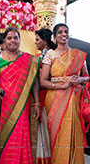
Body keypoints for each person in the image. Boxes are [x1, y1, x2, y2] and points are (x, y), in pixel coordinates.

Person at [0, 27, 41, 164]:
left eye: (15, 38)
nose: (12, 41)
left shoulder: (29, 59)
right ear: (4, 40)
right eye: (9, 38)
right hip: (3, 103)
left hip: (22, 104)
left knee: (21, 133)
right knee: (3, 135)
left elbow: (34, 82)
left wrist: (37, 103)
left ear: (19, 40)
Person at [40, 23, 90, 163]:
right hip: (55, 99)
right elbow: (43, 81)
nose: (63, 34)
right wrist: (61, 85)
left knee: (73, 131)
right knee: (56, 133)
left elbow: (87, 77)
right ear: (54, 37)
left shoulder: (78, 55)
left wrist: (79, 79)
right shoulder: (50, 55)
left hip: (74, 98)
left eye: (66, 32)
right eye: (60, 32)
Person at [34, 28, 56, 163]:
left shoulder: (53, 55)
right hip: (41, 96)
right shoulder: (37, 57)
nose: (35, 43)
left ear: (45, 41)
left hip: (50, 96)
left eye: (37, 40)